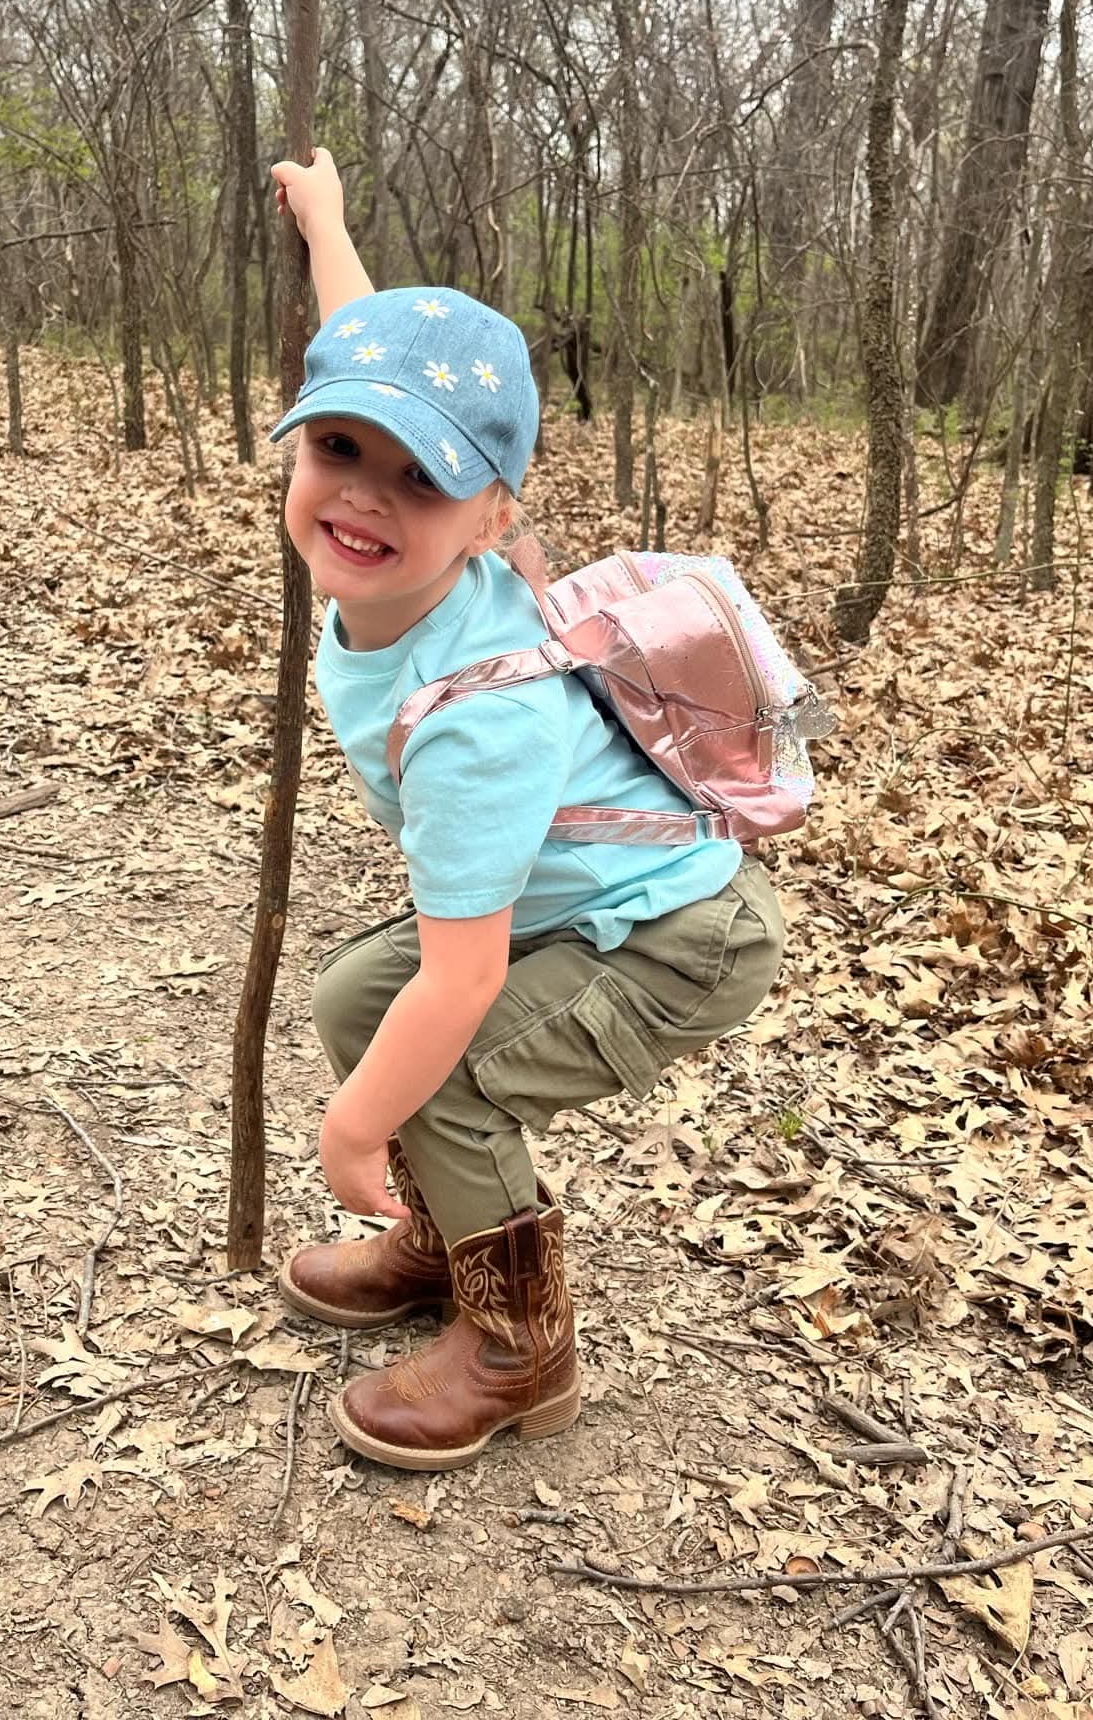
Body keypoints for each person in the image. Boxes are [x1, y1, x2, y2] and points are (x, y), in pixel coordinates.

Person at [266, 149, 785, 1472]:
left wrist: (354, 1125)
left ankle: (520, 1348)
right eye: (338, 447)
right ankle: (446, 1244)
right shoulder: (393, 581)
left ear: (494, 516)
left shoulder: (474, 717)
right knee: (348, 1005)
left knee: (444, 1068)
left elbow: (461, 975)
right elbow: (360, 340)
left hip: (678, 942)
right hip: (592, 906)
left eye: (421, 479)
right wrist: (329, 220)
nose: (364, 494)